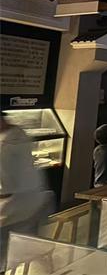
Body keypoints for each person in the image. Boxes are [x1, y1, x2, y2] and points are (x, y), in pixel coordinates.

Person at [0, 115, 52, 272]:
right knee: (23, 248)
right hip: (34, 202)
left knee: (5, 251)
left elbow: (5, 187)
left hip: (12, 208)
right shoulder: (20, 134)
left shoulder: (4, 146)